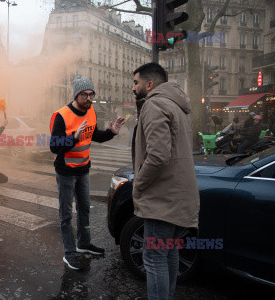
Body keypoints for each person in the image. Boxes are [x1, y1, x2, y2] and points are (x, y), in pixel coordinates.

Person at [131, 63, 199, 300]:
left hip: (163, 198)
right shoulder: (178, 106)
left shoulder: (155, 104)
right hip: (179, 195)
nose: (133, 88)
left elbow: (158, 156)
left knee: (153, 256)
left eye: (136, 82)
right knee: (168, 252)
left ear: (149, 84)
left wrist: (138, 183)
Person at [50, 76, 125, 271]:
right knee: (66, 214)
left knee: (84, 210)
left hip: (83, 169)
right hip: (65, 171)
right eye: (85, 94)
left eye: (92, 94)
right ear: (76, 94)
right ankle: (69, 253)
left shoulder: (91, 111)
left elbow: (95, 135)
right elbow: (54, 146)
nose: (89, 98)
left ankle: (84, 243)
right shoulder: (61, 115)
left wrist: (111, 132)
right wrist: (72, 138)